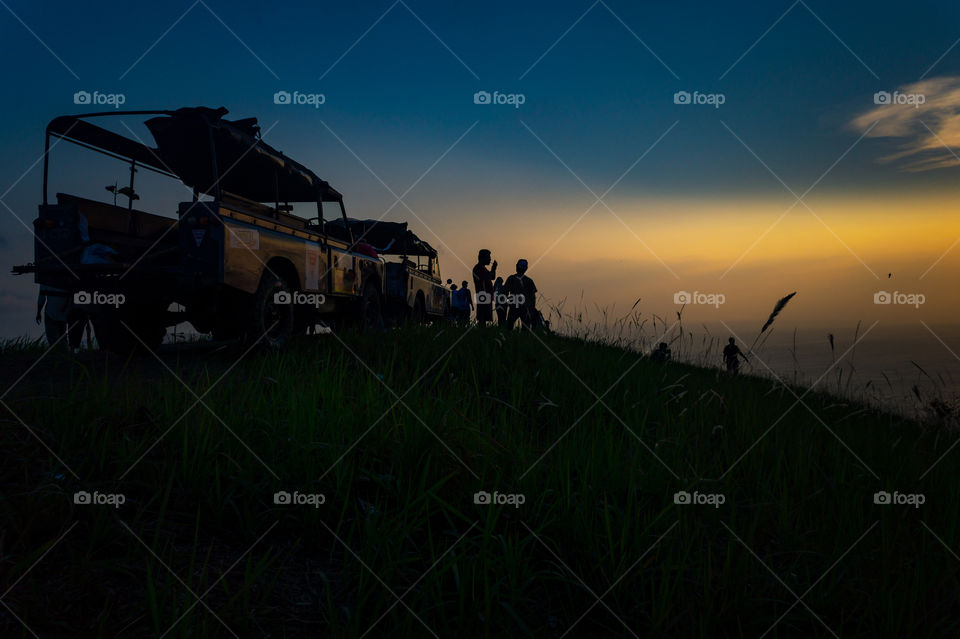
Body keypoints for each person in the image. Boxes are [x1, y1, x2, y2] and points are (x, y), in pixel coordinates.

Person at [504, 259, 538, 330]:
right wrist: (532, 309)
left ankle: (508, 339)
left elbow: (505, 293)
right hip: (525, 307)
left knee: (509, 327)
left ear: (516, 266)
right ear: (526, 268)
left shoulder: (511, 278)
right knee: (525, 328)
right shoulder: (529, 281)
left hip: (515, 306)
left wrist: (506, 302)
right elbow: (533, 297)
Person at [472, 249, 497, 327]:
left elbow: (492, 277)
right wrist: (493, 269)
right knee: (482, 317)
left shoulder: (483, 268)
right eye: (488, 257)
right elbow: (488, 277)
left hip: (486, 296)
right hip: (483, 296)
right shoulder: (478, 268)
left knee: (485, 317)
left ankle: (482, 332)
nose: (490, 259)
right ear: (482, 258)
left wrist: (493, 269)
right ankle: (481, 333)